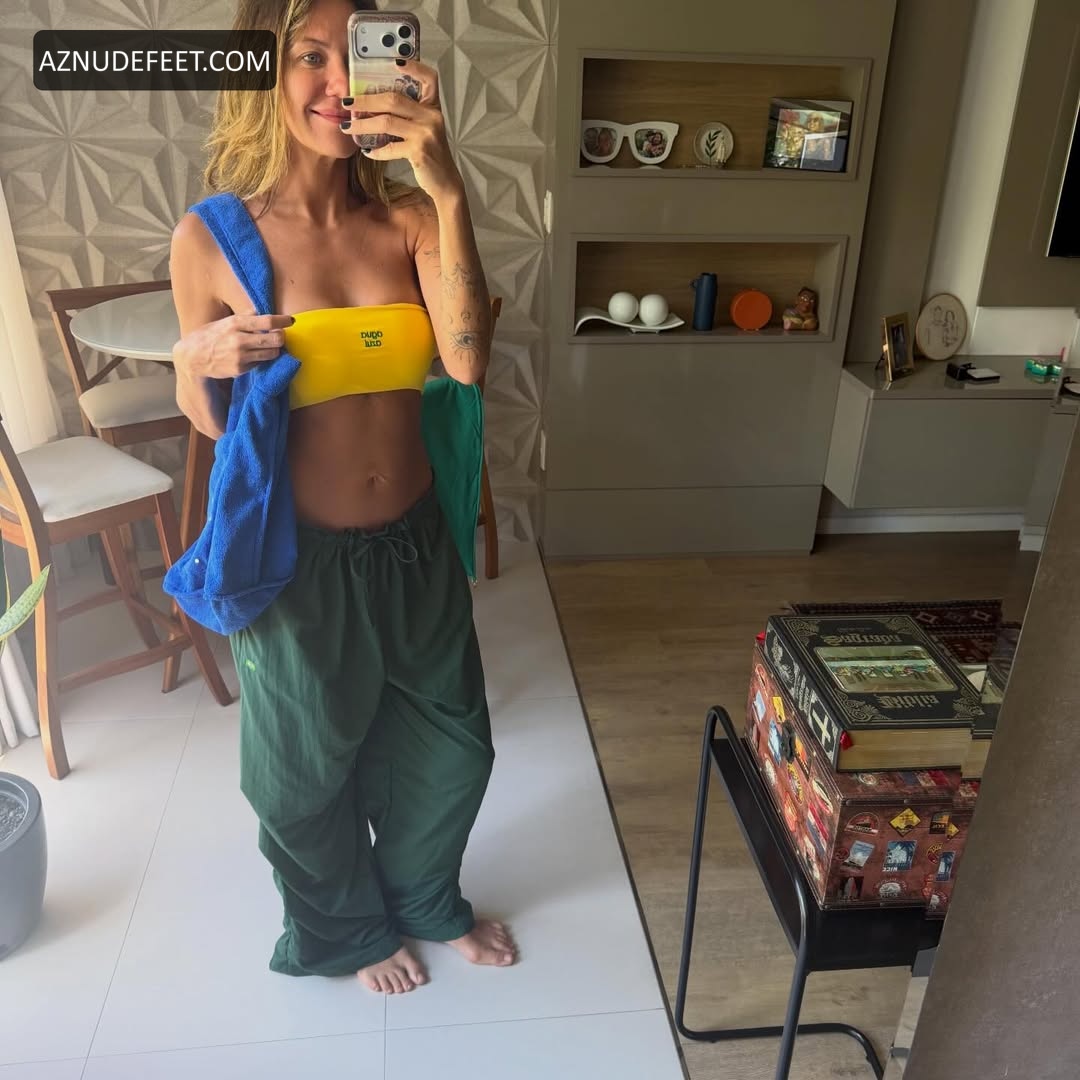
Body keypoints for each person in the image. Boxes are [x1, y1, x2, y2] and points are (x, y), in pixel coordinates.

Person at [167, 0, 515, 995]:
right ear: (264, 74)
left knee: (454, 746)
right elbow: (208, 420)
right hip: (299, 560)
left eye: (352, 56)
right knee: (299, 770)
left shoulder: (408, 220)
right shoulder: (214, 237)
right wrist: (193, 359)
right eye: (307, 56)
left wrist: (447, 188)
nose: (334, 83)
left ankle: (424, 897)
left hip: (415, 542)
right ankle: (349, 929)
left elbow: (466, 361)